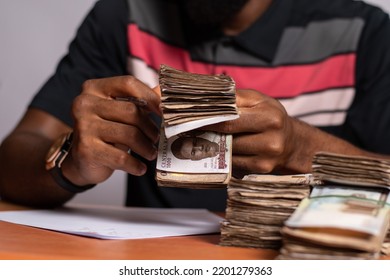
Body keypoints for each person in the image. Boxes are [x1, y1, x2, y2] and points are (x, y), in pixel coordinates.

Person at [0, 0, 389, 211]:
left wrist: (302, 148)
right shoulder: (123, 16)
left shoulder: (366, 32)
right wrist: (71, 162)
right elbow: (15, 157)